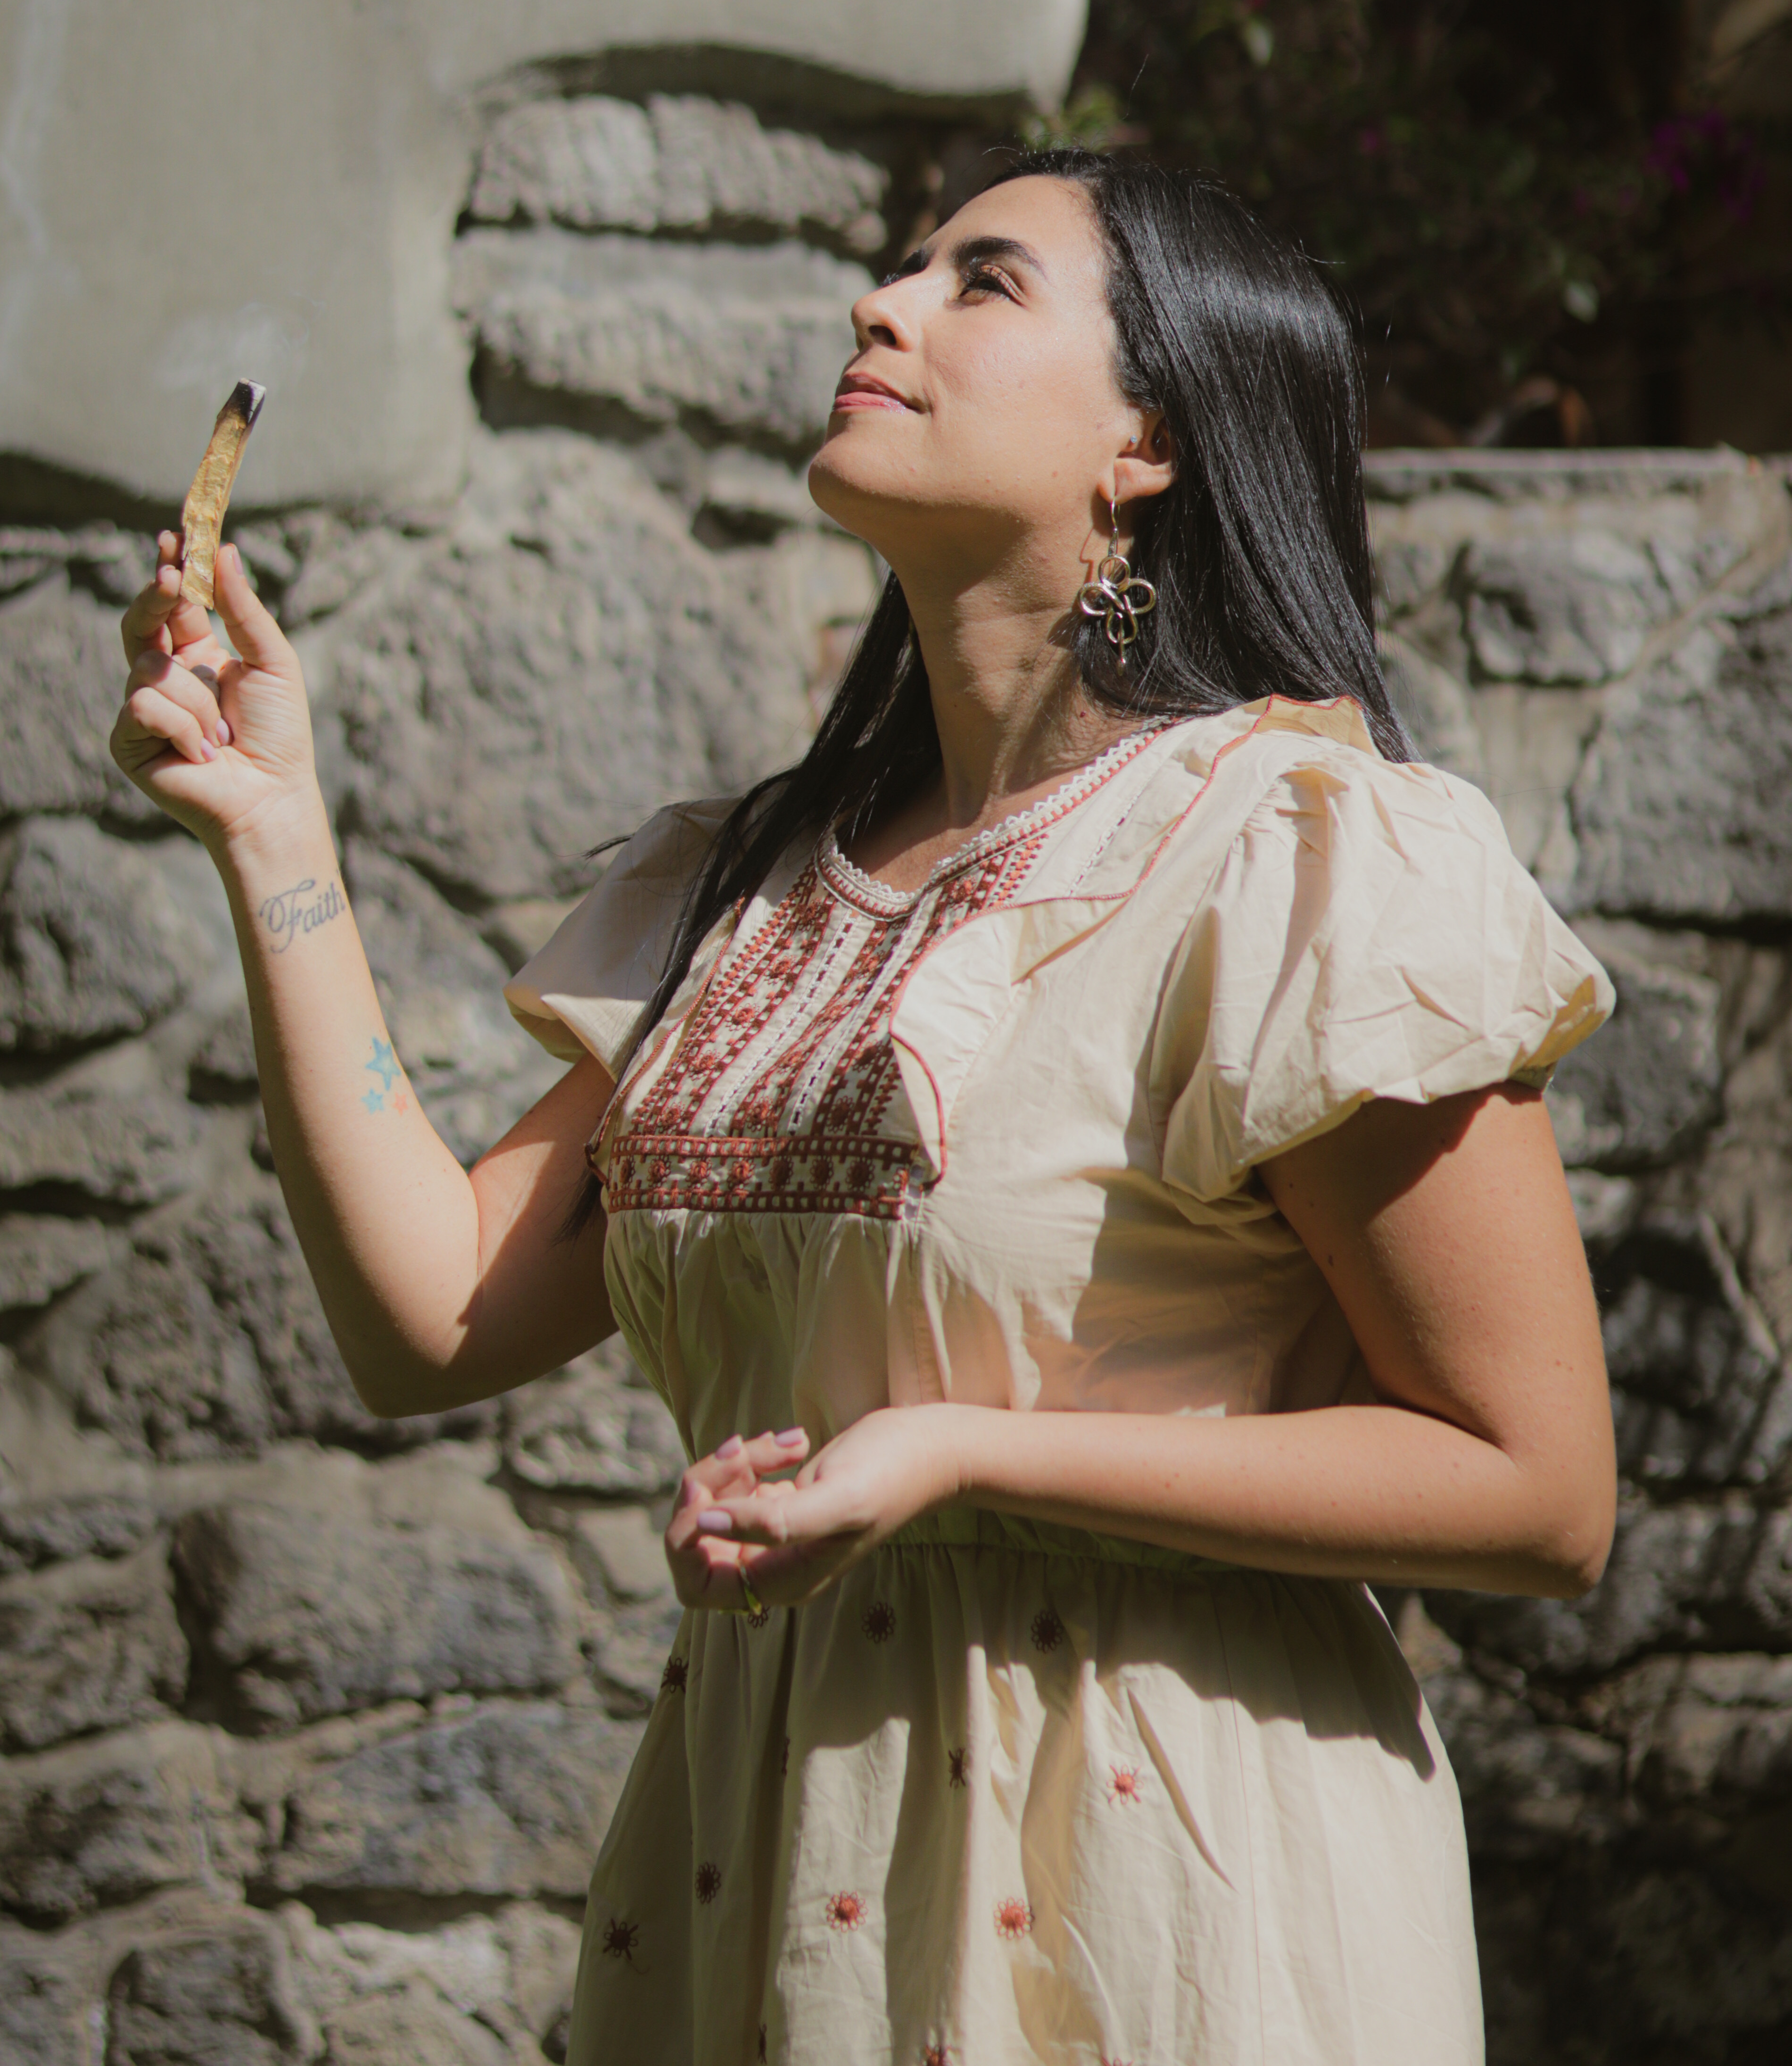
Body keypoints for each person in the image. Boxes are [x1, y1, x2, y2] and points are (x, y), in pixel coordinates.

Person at [111, 152, 1618, 2066]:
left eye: (977, 283)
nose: (877, 308)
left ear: (1144, 440)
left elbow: (1534, 1485)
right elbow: (437, 1316)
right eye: (900, 268)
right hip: (772, 1865)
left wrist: (967, 1456)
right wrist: (275, 837)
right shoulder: (744, 891)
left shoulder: (1296, 859)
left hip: (1164, 1897)